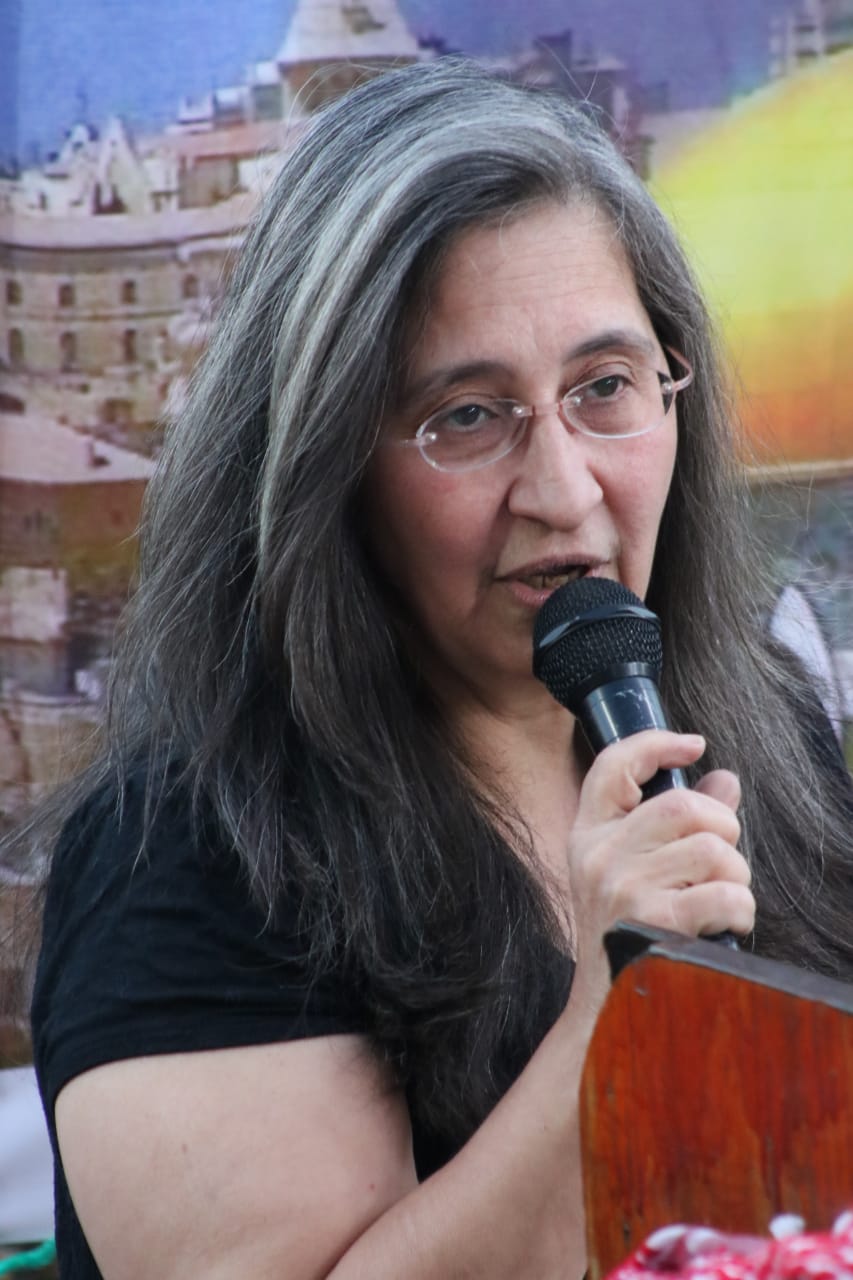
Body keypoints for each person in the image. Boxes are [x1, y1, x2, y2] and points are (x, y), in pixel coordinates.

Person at [17, 58, 853, 1279]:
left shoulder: (763, 718)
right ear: (324, 464)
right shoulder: (189, 851)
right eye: (467, 414)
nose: (562, 487)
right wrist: (616, 1010)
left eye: (604, 387)